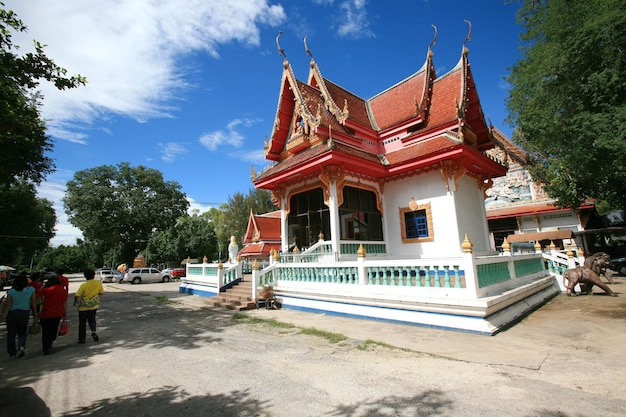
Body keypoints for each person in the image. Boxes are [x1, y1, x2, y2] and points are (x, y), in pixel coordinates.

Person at [0, 274, 38, 358]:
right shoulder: (31, 290)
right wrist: (35, 313)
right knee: (22, 332)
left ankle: (12, 352)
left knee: (11, 333)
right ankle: (21, 347)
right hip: (24, 313)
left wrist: (2, 314)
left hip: (13, 313)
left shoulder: (11, 292)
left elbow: (7, 304)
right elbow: (33, 302)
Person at [38, 276, 68, 355]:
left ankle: (46, 347)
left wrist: (44, 285)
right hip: (57, 313)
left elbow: (38, 293)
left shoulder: (46, 290)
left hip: (46, 313)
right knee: (53, 330)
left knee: (45, 331)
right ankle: (50, 343)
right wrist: (65, 312)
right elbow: (64, 303)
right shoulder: (62, 290)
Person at [74, 269, 104, 344]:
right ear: (94, 275)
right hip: (94, 305)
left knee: (82, 323)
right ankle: (93, 331)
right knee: (92, 320)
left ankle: (82, 339)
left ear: (85, 276)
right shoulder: (98, 283)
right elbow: (101, 292)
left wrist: (75, 301)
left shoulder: (84, 285)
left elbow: (77, 295)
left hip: (83, 307)